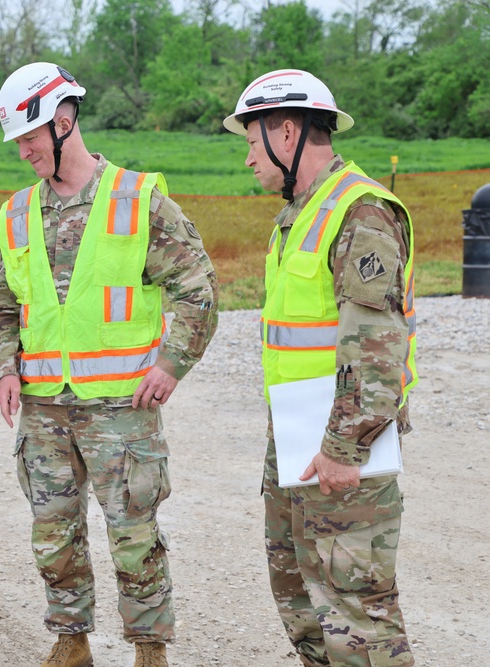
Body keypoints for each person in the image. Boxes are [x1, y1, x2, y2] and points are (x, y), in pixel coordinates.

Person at [0, 62, 219, 667]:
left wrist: (172, 364)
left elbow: (198, 287)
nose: (23, 151)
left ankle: (149, 651)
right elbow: (6, 304)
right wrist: (5, 369)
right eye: (17, 141)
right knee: (53, 533)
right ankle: (71, 642)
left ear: (64, 123)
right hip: (43, 407)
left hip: (123, 406)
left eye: (31, 138)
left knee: (134, 536)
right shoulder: (15, 214)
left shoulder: (139, 199)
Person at [222, 69, 419, 666]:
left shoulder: (361, 214)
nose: (249, 159)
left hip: (339, 453)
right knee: (304, 606)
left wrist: (343, 447)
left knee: (359, 617)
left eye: (252, 143)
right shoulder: (298, 215)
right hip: (296, 439)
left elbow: (377, 351)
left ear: (288, 132)